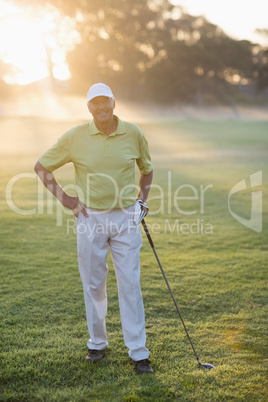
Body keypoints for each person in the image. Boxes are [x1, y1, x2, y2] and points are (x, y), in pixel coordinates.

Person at [34, 83, 154, 374]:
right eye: (95, 104)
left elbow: (147, 170)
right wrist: (67, 199)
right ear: (89, 107)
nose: (101, 108)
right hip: (90, 219)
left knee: (130, 285)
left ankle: (139, 353)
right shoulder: (75, 136)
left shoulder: (134, 133)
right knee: (93, 285)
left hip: (126, 218)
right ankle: (97, 344)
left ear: (114, 102)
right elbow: (41, 167)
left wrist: (141, 202)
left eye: (105, 102)